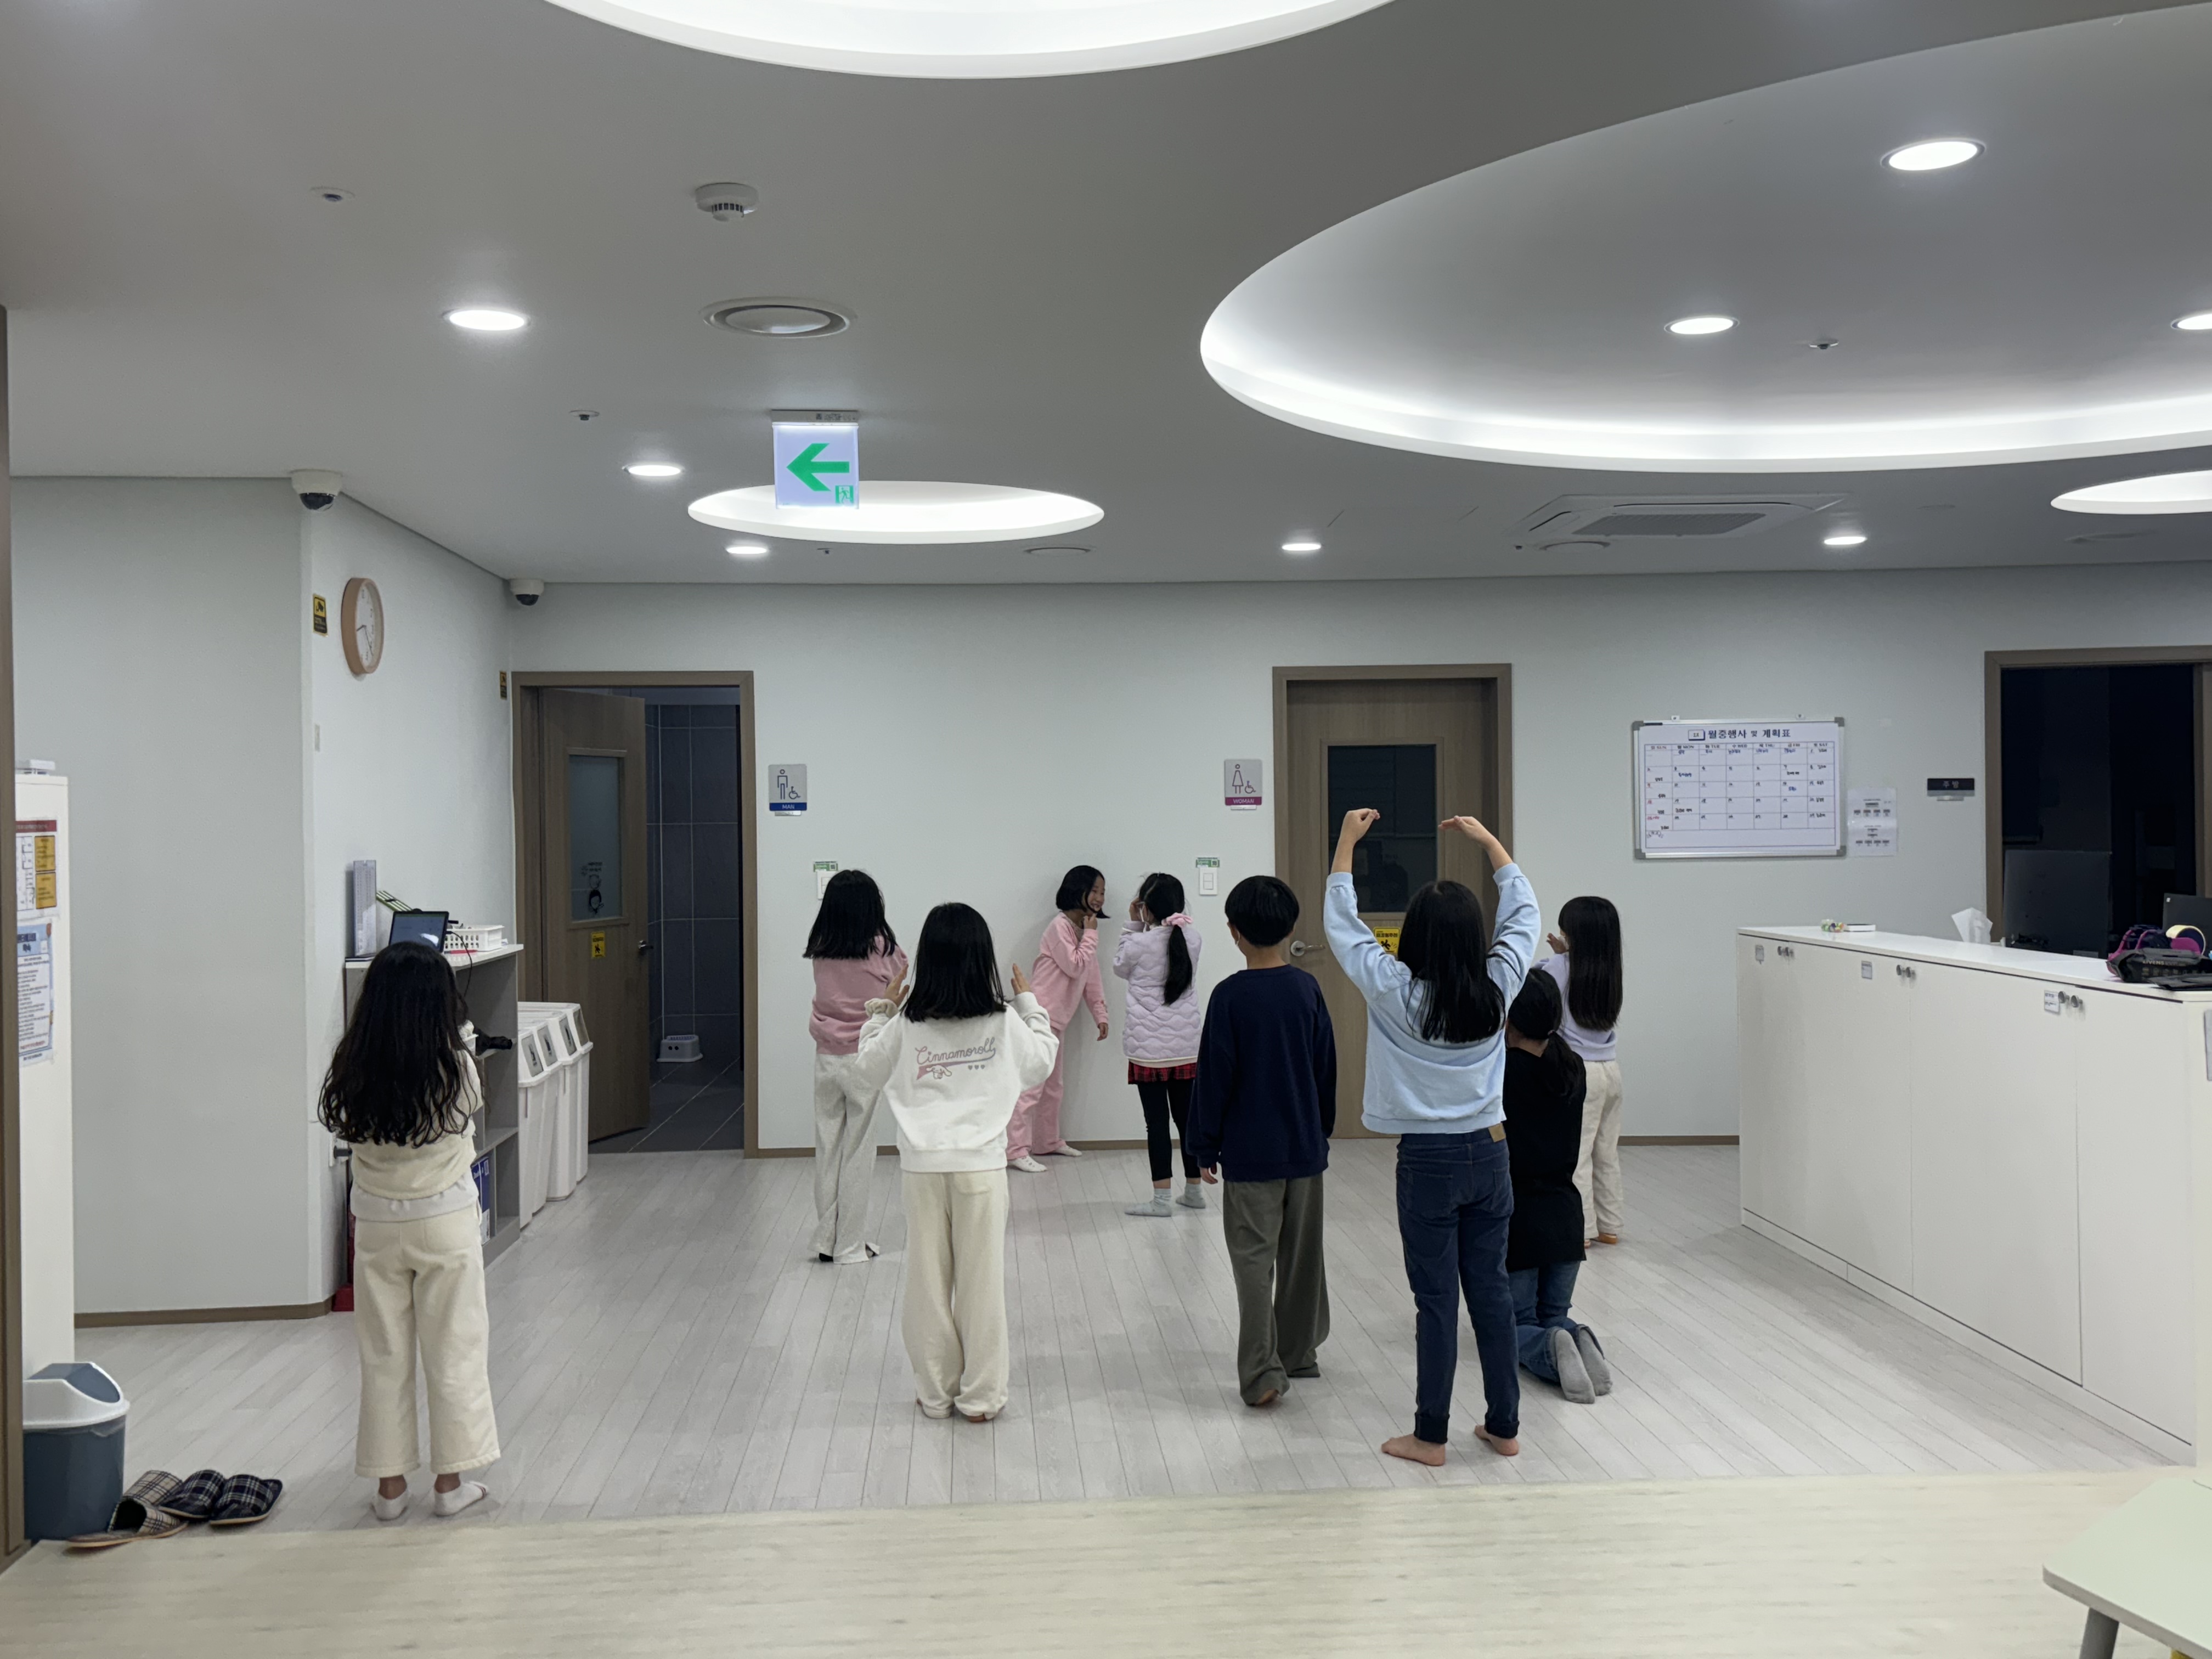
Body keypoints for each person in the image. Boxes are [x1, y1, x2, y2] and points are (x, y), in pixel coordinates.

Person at [1324, 809, 1539, 1467]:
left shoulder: (1395, 991)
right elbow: (1524, 916)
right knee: (1492, 1293)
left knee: (1437, 1302)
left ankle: (1431, 1436)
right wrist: (1491, 845)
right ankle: (1504, 1426)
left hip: (1427, 1160)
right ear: (1476, 937)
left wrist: (1346, 843)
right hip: (1491, 1153)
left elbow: (1343, 927)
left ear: (1412, 935)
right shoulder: (1499, 987)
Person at [850, 903, 1059, 1422]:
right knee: (981, 1284)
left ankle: (936, 1393)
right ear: (981, 958)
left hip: (922, 1170)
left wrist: (881, 1010)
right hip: (981, 1170)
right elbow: (1041, 1062)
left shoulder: (905, 1025)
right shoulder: (1003, 1021)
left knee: (926, 1284)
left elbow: (866, 1069)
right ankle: (982, 1398)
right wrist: (1031, 1004)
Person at [318, 940, 499, 1521]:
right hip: (445, 1220)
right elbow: (469, 1111)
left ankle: (390, 1489)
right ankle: (450, 1483)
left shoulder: (351, 1067)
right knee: (455, 1349)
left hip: (376, 1225)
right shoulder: (456, 1067)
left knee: (383, 1354)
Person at [1186, 875, 1336, 1408]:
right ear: (1291, 928)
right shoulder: (1307, 990)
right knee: (1302, 1258)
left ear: (1234, 932)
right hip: (1305, 1150)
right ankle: (1298, 1352)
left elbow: (1214, 1078)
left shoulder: (1230, 997)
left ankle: (1261, 1370)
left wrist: (1203, 1145)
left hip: (1250, 1155)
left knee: (1253, 1259)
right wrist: (1321, 1131)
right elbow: (1325, 1068)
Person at [1503, 969, 1611, 1404]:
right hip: (1567, 1217)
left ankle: (1552, 1348)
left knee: (1516, 1325)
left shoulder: (1503, 1072)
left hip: (1520, 1218)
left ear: (1509, 1017)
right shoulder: (1571, 1066)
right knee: (1554, 1314)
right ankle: (1576, 1336)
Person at [804, 870, 907, 1264]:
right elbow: (901, 976)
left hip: (826, 1057)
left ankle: (826, 1240)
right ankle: (850, 1245)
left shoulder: (821, 947)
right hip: (865, 1056)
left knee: (827, 1148)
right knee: (859, 1151)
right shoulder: (881, 947)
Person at [1114, 872, 1206, 1217]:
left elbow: (1119, 967)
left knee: (1157, 1124)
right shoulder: (1193, 939)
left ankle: (1162, 1201)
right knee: (1186, 1121)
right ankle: (1194, 1191)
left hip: (1149, 1052)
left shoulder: (1138, 944)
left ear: (1146, 908)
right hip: (1186, 1048)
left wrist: (1133, 924)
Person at [1006, 864, 1110, 1173]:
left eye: (1103, 892)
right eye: (1095, 890)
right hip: (1039, 1017)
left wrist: (1101, 1013)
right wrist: (1091, 935)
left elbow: (1091, 978)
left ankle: (1046, 1141)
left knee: (1053, 1086)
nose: (1100, 898)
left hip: (1057, 1020)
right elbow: (1075, 965)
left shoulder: (1084, 933)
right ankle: (1015, 1149)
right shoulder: (1059, 927)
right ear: (1077, 890)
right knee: (1032, 1086)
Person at [1543, 896, 1626, 1246]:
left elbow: (1537, 988)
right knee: (1606, 1152)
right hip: (1611, 1070)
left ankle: (1582, 1230)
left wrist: (1560, 956)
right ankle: (1610, 1226)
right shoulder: (1610, 971)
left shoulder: (1557, 967)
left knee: (1574, 1156)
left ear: (1572, 933)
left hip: (1578, 1073)